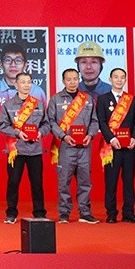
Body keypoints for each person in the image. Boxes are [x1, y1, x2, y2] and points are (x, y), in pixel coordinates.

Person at [47, 68, 100, 224]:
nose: (72, 82)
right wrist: (63, 136)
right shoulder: (56, 99)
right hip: (65, 146)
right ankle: (64, 213)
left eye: (75, 79)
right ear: (63, 81)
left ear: (79, 80)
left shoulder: (87, 99)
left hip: (84, 147)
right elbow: (51, 122)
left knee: (85, 181)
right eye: (69, 79)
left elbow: (94, 121)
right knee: (64, 181)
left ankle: (85, 212)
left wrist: (90, 135)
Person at [0, 72, 50, 224]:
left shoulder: (38, 104)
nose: (26, 85)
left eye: (29, 82)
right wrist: (17, 133)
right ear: (16, 84)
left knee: (37, 183)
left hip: (35, 150)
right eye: (23, 82)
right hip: (16, 150)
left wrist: (41, 132)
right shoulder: (8, 105)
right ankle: (11, 213)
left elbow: (46, 124)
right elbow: (2, 125)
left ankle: (39, 212)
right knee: (13, 182)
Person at [96, 68, 135, 224]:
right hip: (111, 148)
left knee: (129, 181)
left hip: (129, 147)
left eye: (122, 77)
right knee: (111, 182)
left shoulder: (132, 99)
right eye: (116, 77)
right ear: (110, 79)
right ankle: (111, 213)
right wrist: (111, 139)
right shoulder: (103, 99)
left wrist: (134, 138)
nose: (119, 80)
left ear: (125, 80)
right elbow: (102, 122)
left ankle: (129, 212)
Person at [0, 45, 47, 113]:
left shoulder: (36, 92)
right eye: (8, 60)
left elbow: (44, 118)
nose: (13, 64)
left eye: (18, 60)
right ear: (1, 65)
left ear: (25, 65)